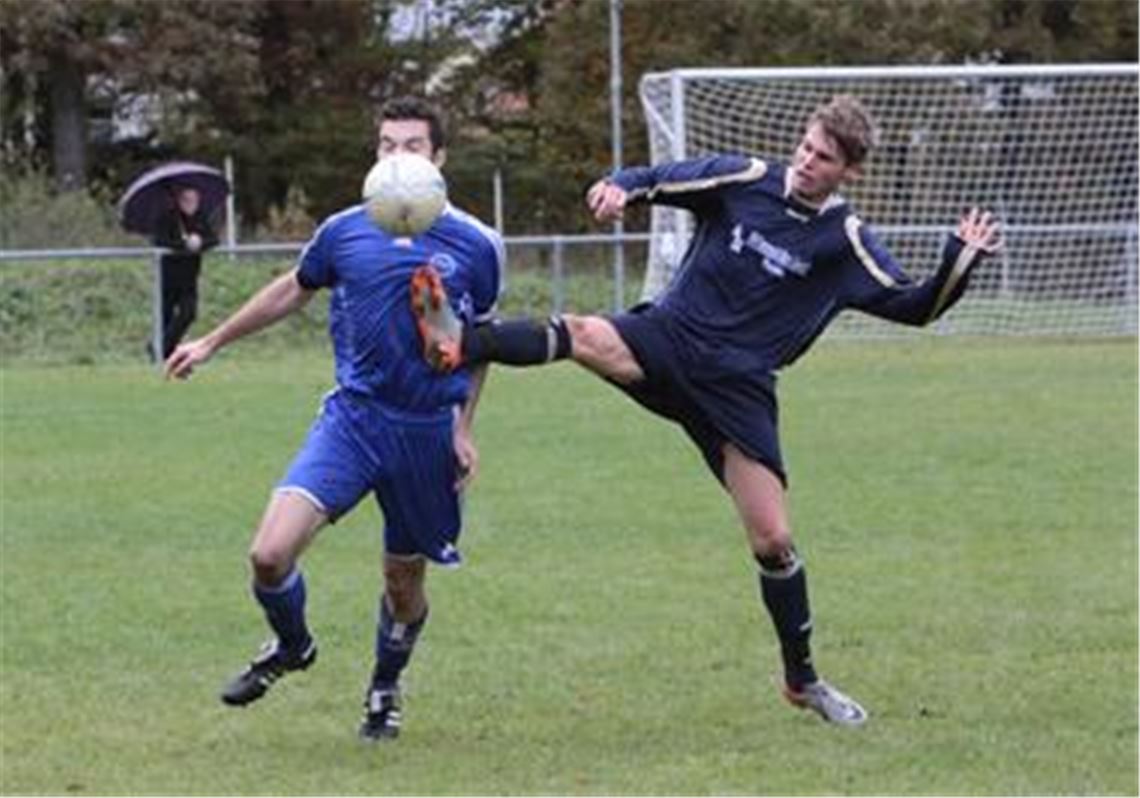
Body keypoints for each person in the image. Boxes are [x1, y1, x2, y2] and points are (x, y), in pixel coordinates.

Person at [412, 95, 1001, 728]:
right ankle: (455, 342)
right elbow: (664, 178)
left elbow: (917, 305)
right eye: (805, 147)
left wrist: (957, 260)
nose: (805, 163)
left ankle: (802, 681)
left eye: (823, 158)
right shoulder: (748, 179)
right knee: (581, 333)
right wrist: (618, 188)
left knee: (774, 541)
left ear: (849, 172)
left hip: (737, 391)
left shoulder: (846, 241)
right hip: (668, 341)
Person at [165, 96, 503, 741]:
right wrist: (211, 341)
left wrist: (462, 427)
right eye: (385, 145)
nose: (396, 157)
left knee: (403, 585)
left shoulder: (477, 244)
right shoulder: (345, 229)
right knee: (269, 554)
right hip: (354, 419)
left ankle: (384, 688)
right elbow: (294, 288)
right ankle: (293, 647)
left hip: (426, 431)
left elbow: (477, 345)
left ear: (439, 157)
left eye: (411, 145)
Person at [151, 185, 219, 360]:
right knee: (164, 317)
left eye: (195, 200)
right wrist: (183, 245)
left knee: (188, 313)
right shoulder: (167, 218)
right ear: (179, 201)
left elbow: (214, 240)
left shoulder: (200, 219)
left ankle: (161, 349)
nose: (192, 204)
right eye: (187, 200)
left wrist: (200, 242)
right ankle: (161, 352)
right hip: (167, 277)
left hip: (189, 279)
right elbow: (159, 240)